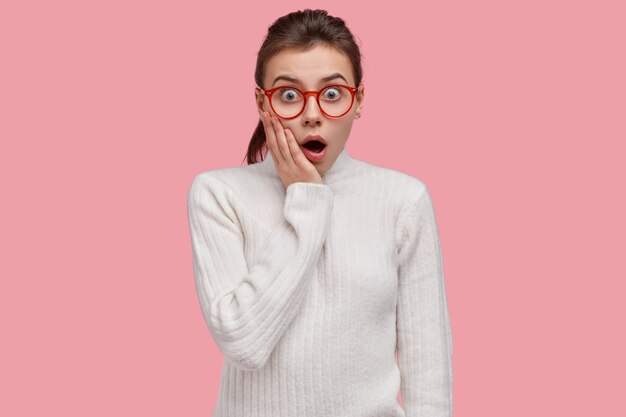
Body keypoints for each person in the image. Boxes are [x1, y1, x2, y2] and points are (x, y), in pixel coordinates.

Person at [187, 8, 453, 417]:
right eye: (289, 95)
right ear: (262, 102)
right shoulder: (219, 195)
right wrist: (307, 203)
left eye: (331, 94)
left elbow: (427, 367)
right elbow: (244, 344)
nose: (312, 114)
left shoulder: (403, 199)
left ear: (358, 100)